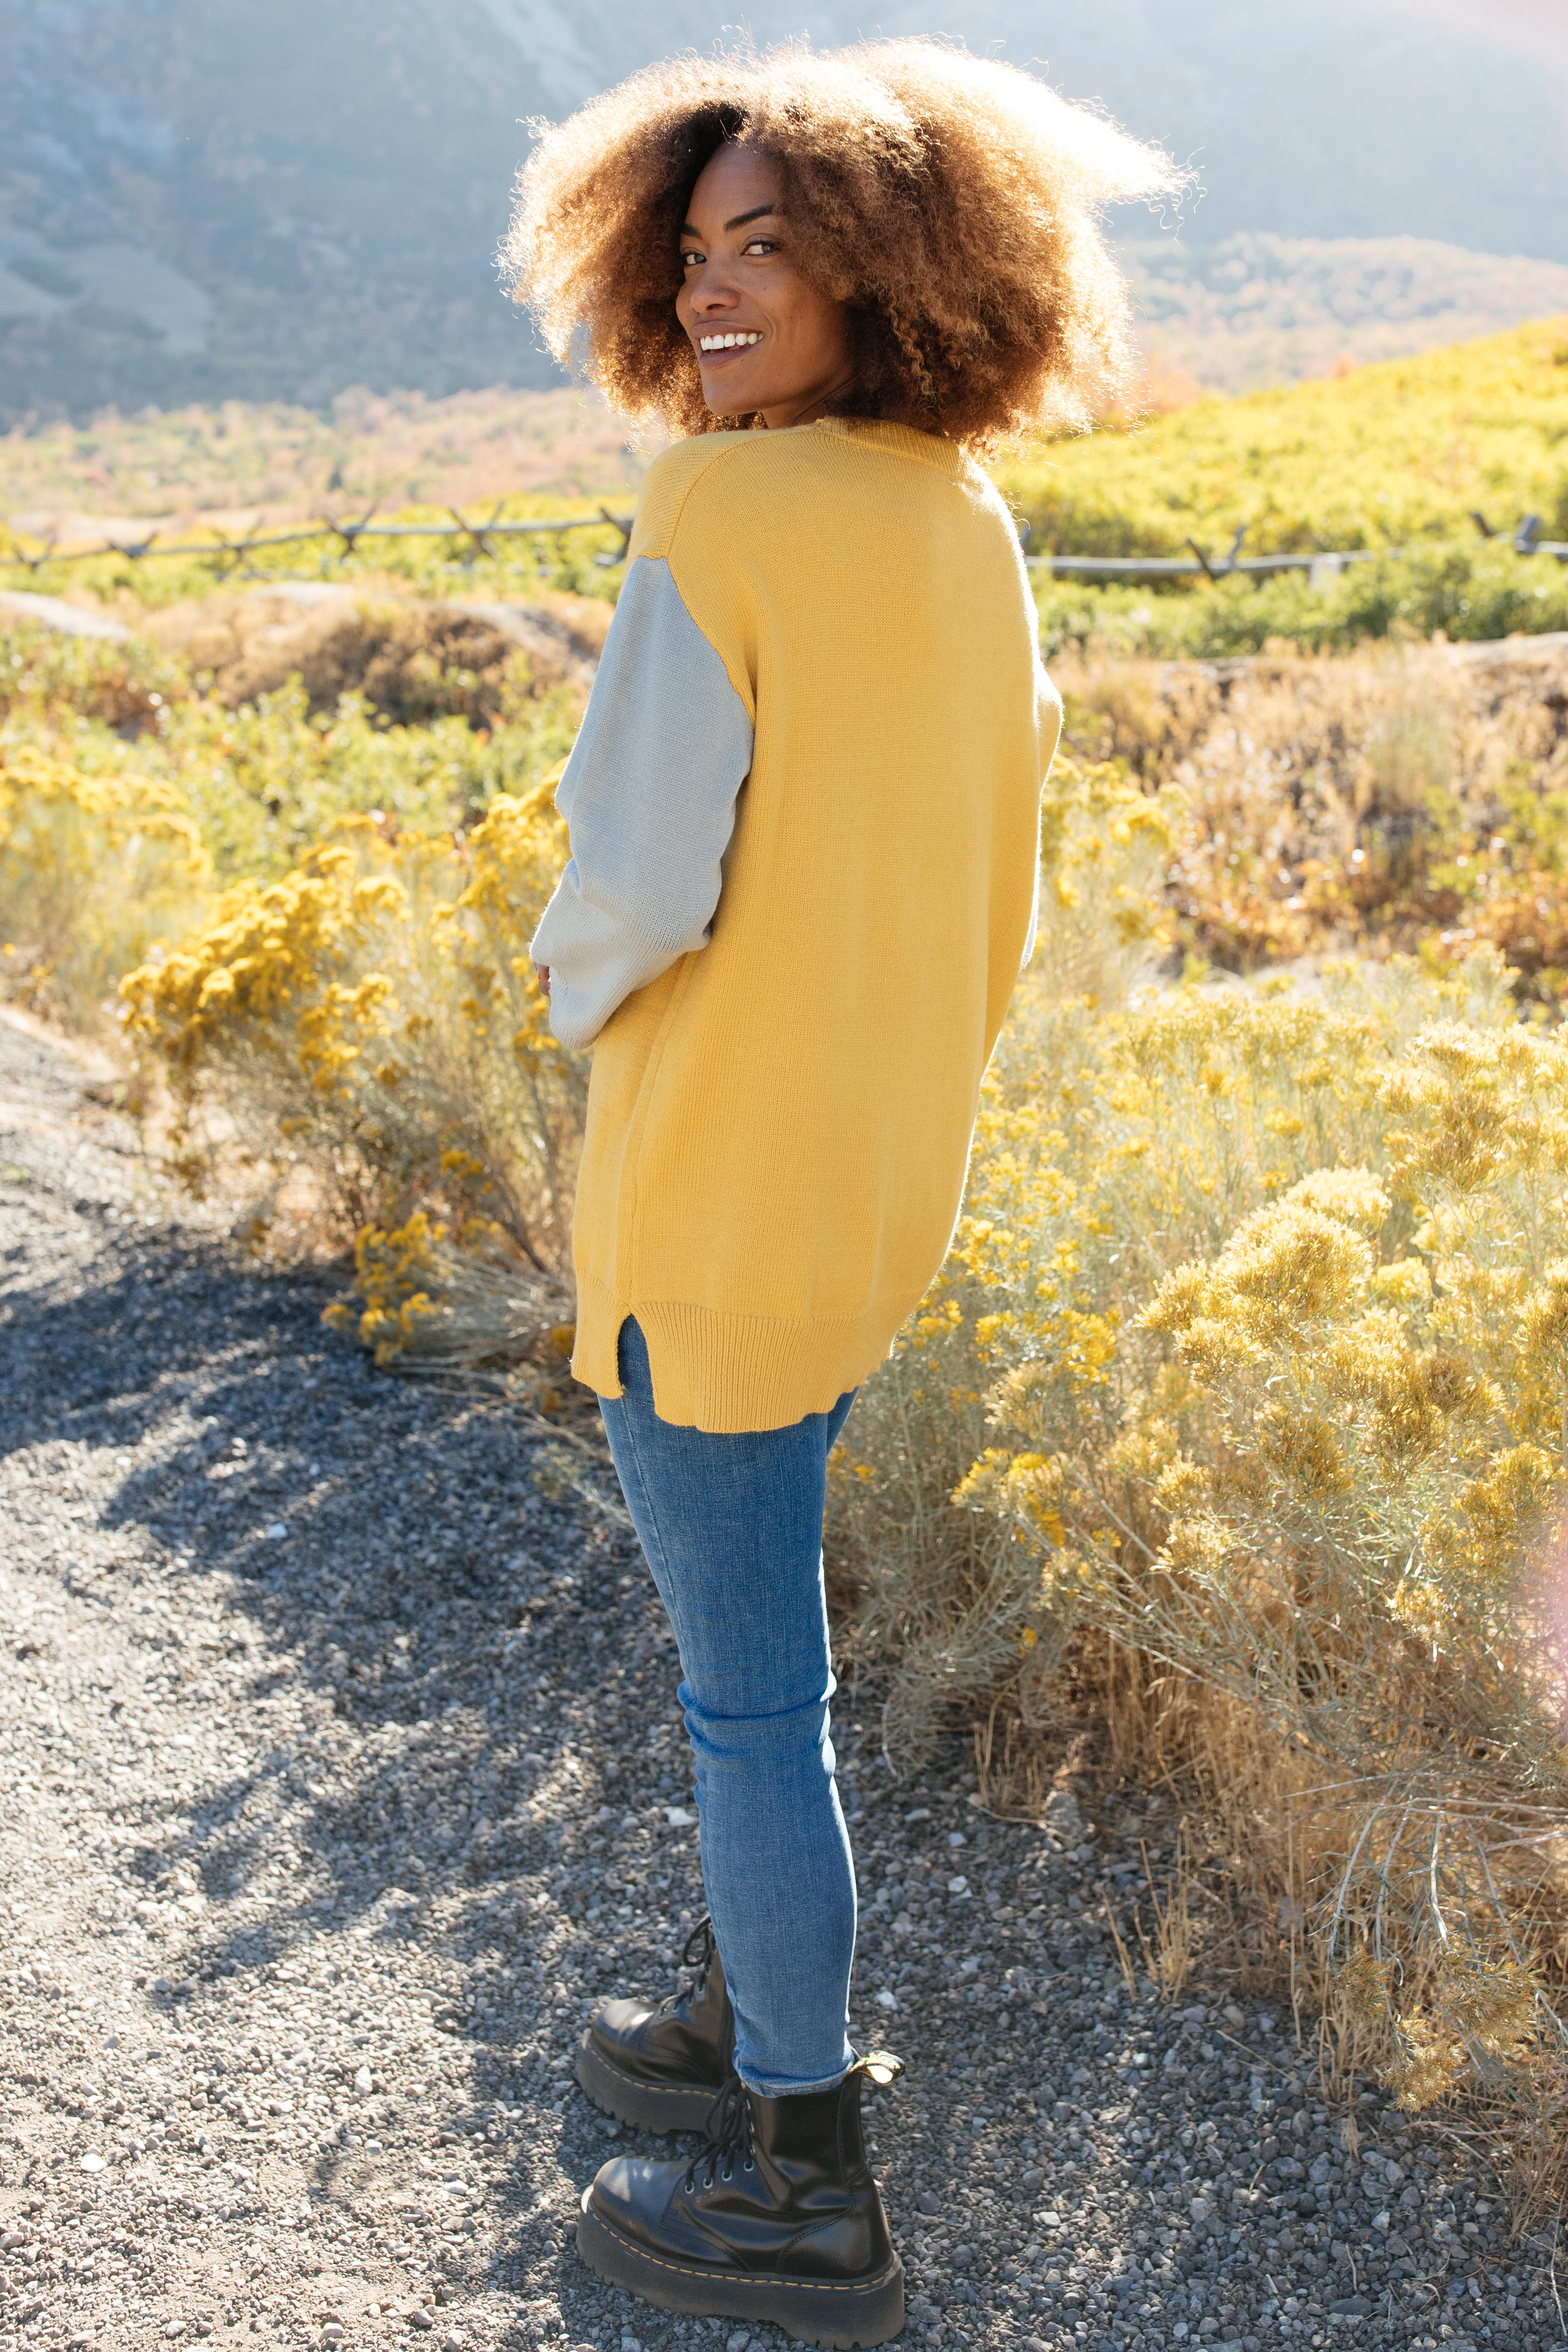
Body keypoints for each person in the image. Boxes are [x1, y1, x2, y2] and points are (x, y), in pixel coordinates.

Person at [505, 39, 1175, 2348]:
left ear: (887, 269)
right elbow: (991, 884)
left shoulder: (719, 515)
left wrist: (564, 990)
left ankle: (805, 2169)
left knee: (746, 1701)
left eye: (767, 246)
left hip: (711, 1184)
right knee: (759, 1664)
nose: (711, 288)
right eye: (692, 249)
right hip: (875, 1178)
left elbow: (630, 886)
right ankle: (730, 2009)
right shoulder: (960, 515)